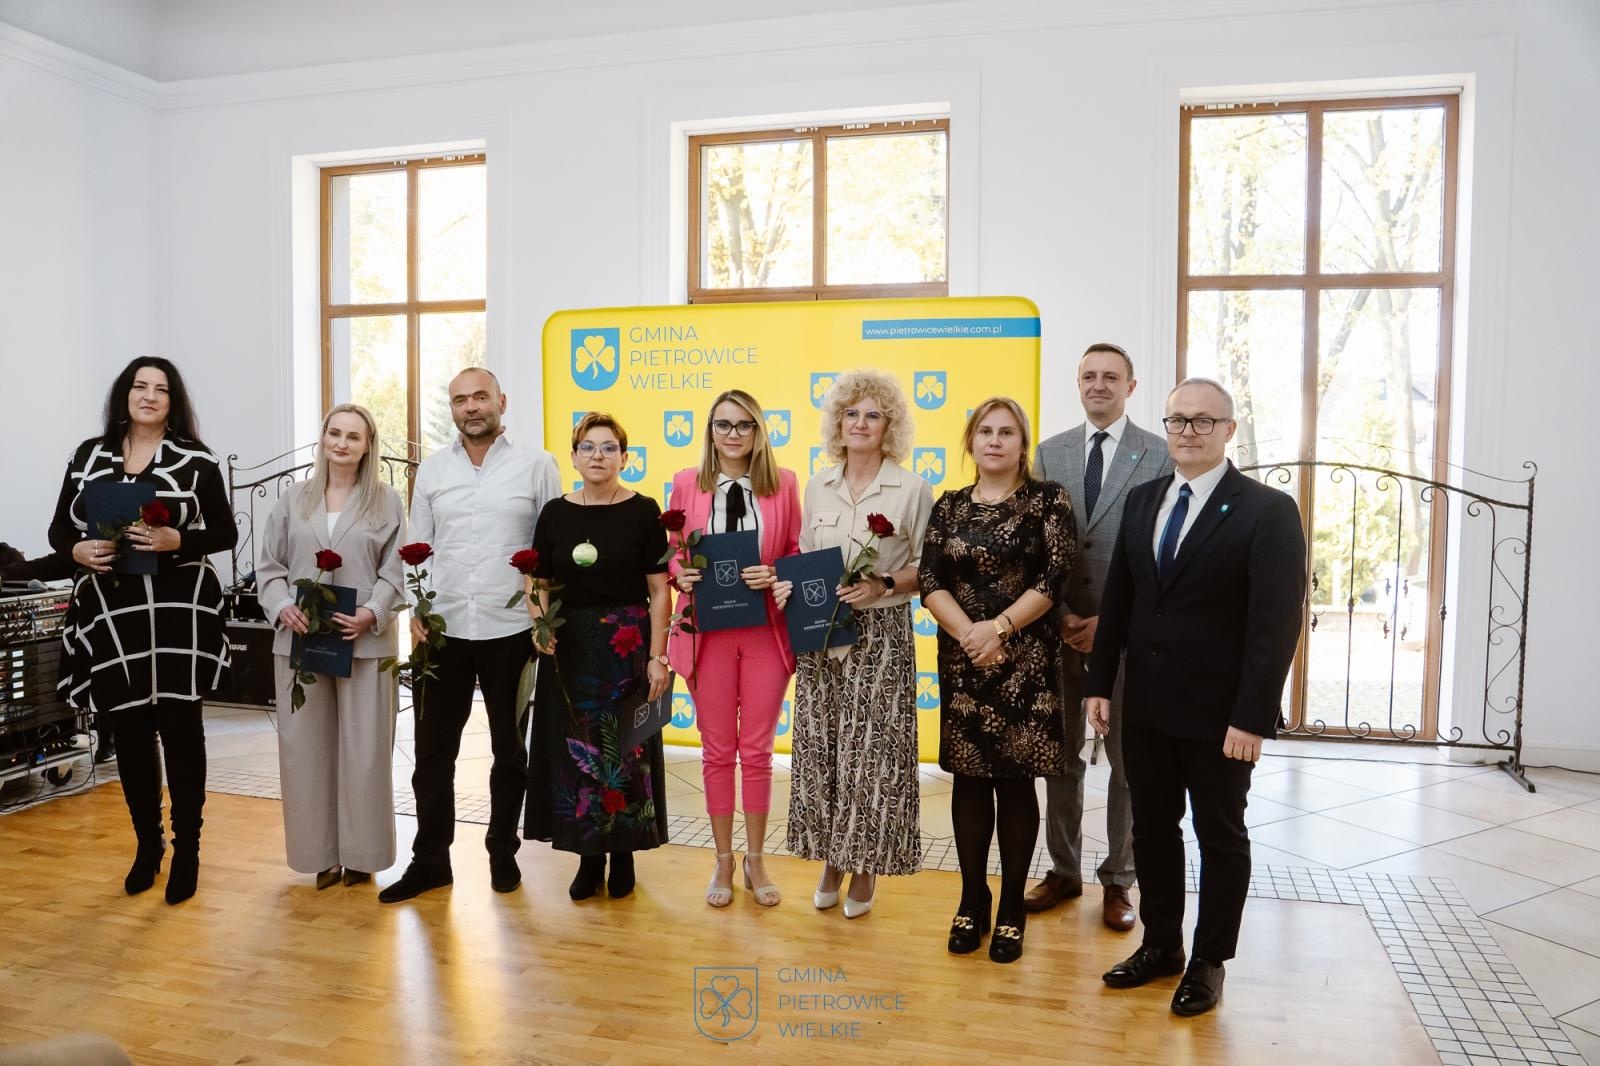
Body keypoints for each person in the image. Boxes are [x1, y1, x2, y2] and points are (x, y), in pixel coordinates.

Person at [1089, 377, 1306, 1017]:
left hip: (1221, 718)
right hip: (1147, 707)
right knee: (1152, 830)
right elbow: (1119, 603)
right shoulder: (1143, 500)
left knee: (1220, 836)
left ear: (1228, 430)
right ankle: (1162, 944)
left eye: (1203, 421)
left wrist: (1252, 717)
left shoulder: (1266, 510)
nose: (1188, 431)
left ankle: (1210, 960)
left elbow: (1275, 626)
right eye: (1178, 419)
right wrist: (1100, 683)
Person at [49, 356, 237, 904]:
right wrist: (76, 548)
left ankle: (189, 851)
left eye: (161, 389)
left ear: (173, 401)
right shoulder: (89, 456)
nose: (149, 396)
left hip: (179, 616)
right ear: (124, 395)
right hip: (112, 615)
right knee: (129, 734)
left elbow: (223, 530)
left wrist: (180, 540)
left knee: (182, 734)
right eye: (140, 386)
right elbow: (61, 526)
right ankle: (147, 845)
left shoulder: (194, 459)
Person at [379, 368, 562, 904]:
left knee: (510, 752)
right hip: (445, 632)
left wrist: (543, 618)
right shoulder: (432, 472)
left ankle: (502, 853)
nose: (471, 407)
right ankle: (430, 860)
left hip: (513, 632)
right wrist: (418, 611)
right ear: (453, 409)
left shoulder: (538, 465)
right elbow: (420, 549)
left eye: (480, 396)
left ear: (501, 401)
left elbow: (548, 551)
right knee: (432, 754)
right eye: (460, 400)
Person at [918, 397, 1077, 963]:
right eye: (984, 430)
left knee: (1014, 784)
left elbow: (1055, 576)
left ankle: (1011, 905)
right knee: (967, 782)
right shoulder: (949, 505)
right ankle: (971, 898)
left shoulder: (1047, 501)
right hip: (964, 661)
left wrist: (1000, 629)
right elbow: (931, 578)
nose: (994, 440)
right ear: (970, 440)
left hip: (1024, 664)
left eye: (1006, 432)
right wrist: (970, 634)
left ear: (1022, 443)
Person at [1027, 343, 1173, 930]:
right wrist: (1061, 614)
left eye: (1111, 377)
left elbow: (1160, 555)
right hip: (1059, 631)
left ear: (1131, 387)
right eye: (1088, 375)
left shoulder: (1159, 456)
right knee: (1061, 761)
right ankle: (1064, 871)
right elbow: (1035, 546)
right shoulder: (1049, 453)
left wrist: (1111, 624)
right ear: (1078, 383)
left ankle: (1119, 881)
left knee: (1128, 766)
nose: (1099, 385)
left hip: (1130, 639)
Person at [777, 370, 932, 919]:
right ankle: (831, 861)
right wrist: (786, 584)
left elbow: (927, 570)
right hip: (821, 632)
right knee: (823, 749)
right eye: (851, 413)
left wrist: (883, 585)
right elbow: (800, 553)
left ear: (889, 425)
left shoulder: (911, 488)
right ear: (837, 422)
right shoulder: (816, 484)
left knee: (872, 753)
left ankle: (864, 864)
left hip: (882, 633)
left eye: (873, 414)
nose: (860, 423)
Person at [256, 404, 406, 890]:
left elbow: (395, 571)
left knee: (365, 751)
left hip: (364, 641)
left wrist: (373, 613)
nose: (342, 443)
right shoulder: (293, 499)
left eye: (353, 436)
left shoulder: (387, 502)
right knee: (305, 749)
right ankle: (319, 854)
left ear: (368, 446)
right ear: (323, 438)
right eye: (334, 433)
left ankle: (362, 856)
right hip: (301, 641)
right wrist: (281, 606)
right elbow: (268, 567)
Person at [523, 413, 673, 900]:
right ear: (574, 457)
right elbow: (539, 580)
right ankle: (589, 858)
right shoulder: (555, 513)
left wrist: (658, 656)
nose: (598, 456)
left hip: (626, 646)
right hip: (570, 646)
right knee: (578, 753)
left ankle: (624, 852)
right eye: (588, 448)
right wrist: (540, 625)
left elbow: (659, 590)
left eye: (609, 448)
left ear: (624, 458)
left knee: (626, 749)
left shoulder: (644, 510)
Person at [666, 388, 800, 908]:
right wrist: (684, 575)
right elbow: (670, 556)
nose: (733, 434)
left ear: (758, 431)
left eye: (744, 425)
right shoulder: (685, 484)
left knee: (759, 751)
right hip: (707, 633)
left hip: (765, 629)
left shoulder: (784, 484)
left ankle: (756, 858)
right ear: (710, 431)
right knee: (718, 749)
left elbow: (794, 550)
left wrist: (777, 572)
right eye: (723, 425)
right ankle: (723, 860)